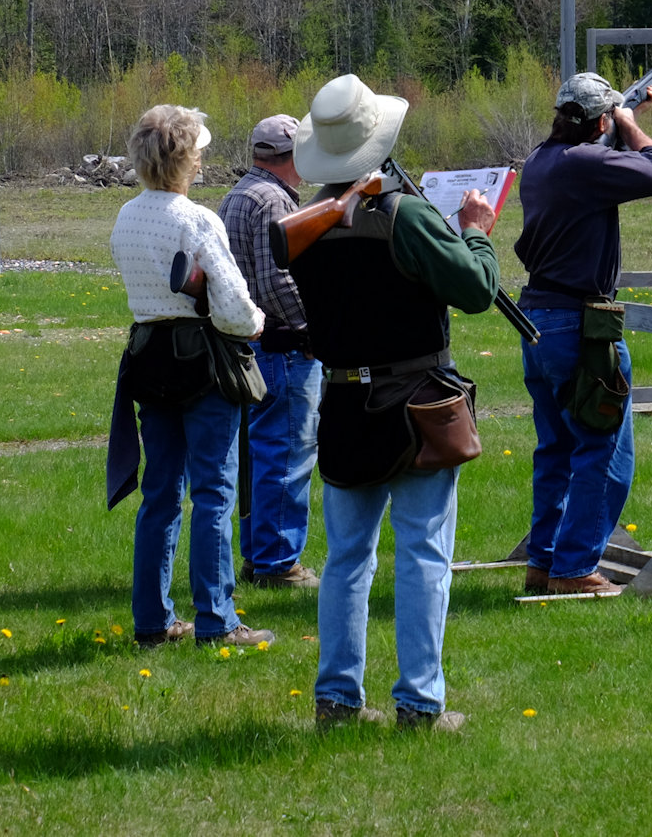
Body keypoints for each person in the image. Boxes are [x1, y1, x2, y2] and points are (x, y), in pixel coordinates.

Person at [284, 74, 499, 731]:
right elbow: (476, 289)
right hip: (417, 406)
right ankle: (419, 703)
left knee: (347, 559)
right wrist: (475, 229)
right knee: (425, 553)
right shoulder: (407, 216)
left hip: (346, 410)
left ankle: (337, 701)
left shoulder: (307, 230)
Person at [109, 104, 274, 648]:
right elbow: (231, 306)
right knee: (213, 493)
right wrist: (256, 322)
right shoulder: (197, 219)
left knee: (159, 494)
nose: (202, 155)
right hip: (201, 364)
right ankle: (218, 619)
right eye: (197, 147)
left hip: (148, 359)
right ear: (183, 157)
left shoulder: (126, 216)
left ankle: (153, 622)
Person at [513, 72, 652, 595]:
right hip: (579, 326)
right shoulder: (584, 163)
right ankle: (576, 568)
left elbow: (595, 158)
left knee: (557, 449)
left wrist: (616, 119)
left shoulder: (541, 160)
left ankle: (544, 561)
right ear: (601, 120)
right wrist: (628, 121)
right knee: (605, 453)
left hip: (539, 318)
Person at [218, 114, 322, 589]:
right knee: (285, 454)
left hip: (250, 345)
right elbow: (278, 278)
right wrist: (312, 326)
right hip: (282, 346)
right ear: (292, 154)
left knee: (259, 454)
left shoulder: (238, 193)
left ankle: (258, 556)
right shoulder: (275, 200)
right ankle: (278, 562)